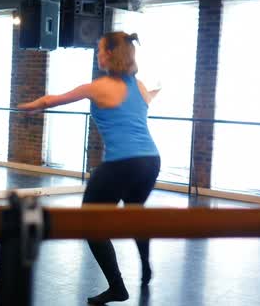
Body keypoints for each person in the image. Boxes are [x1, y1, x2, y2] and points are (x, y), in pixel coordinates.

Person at [18, 32, 161, 305]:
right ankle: (145, 268)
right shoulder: (140, 85)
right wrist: (158, 90)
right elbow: (147, 99)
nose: (97, 54)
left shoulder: (99, 87)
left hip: (123, 163)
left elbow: (52, 100)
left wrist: (28, 106)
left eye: (99, 50)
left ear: (110, 54)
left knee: (90, 223)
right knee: (135, 214)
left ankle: (118, 287)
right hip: (150, 161)